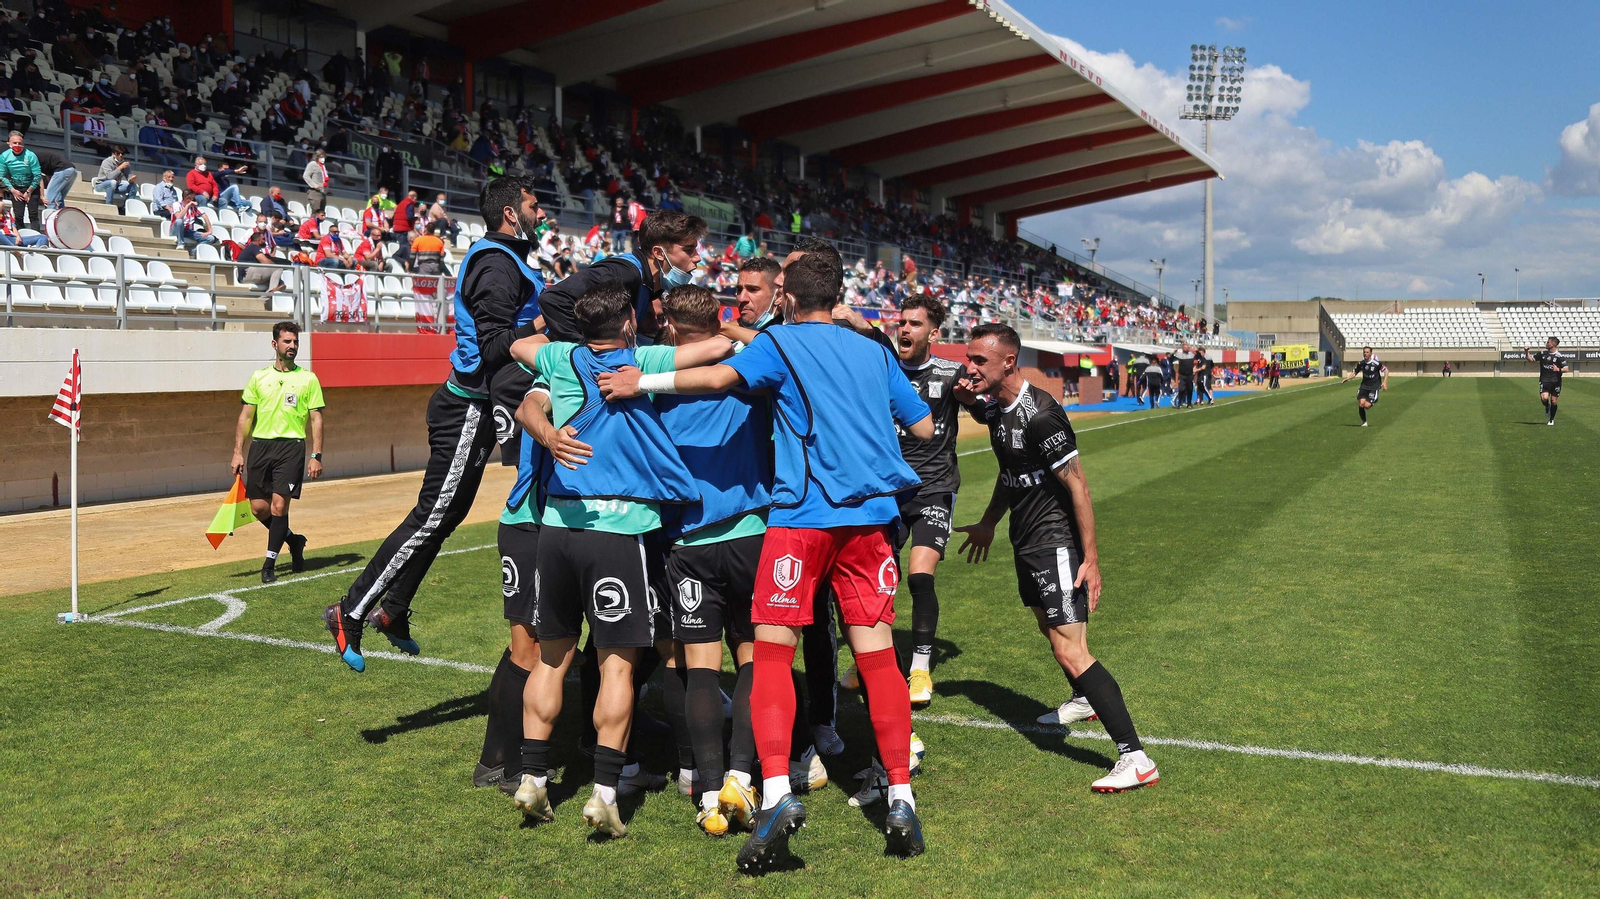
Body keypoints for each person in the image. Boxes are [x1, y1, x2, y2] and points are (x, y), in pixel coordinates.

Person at [598, 250, 936, 869]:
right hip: (871, 524)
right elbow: (923, 429)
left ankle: (775, 791)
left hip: (802, 519)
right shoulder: (876, 352)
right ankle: (901, 798)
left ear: (786, 299)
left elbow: (717, 379)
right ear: (837, 298)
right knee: (879, 660)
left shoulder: (779, 347)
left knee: (772, 653)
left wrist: (639, 381)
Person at [504, 283, 732, 838]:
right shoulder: (642, 359)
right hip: (620, 530)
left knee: (552, 658)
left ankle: (533, 776)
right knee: (617, 665)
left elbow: (516, 349)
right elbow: (718, 349)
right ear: (630, 321)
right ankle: (606, 789)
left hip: (557, 528)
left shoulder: (559, 356)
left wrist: (547, 421)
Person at [324, 176, 546, 672]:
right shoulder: (495, 264)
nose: (539, 213)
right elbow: (493, 347)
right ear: (511, 213)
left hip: (476, 409)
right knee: (432, 516)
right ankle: (350, 610)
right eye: (533, 205)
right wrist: (543, 321)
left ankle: (394, 612)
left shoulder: (506, 260)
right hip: (466, 408)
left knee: (444, 519)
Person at [952, 323, 1160, 793]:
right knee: (1051, 633)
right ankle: (1082, 698)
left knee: (1071, 648)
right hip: (1024, 541)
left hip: (1055, 542)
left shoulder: (1042, 414)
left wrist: (1091, 558)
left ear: (1009, 361)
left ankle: (1135, 756)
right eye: (969, 359)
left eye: (979, 360)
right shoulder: (997, 413)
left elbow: (1077, 484)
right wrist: (988, 523)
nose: (971, 367)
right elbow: (1012, 476)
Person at [638, 284, 775, 836]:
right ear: (717, 320)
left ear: (669, 327)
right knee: (752, 661)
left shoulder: (650, 387)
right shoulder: (748, 373)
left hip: (689, 544)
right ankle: (742, 775)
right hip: (752, 534)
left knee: (698, 667)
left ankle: (704, 786)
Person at [884, 294, 975, 707]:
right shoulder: (881, 368)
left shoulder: (950, 373)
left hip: (935, 487)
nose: (905, 329)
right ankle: (881, 659)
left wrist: (975, 398)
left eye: (915, 324)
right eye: (902, 322)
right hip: (886, 489)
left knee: (920, 576)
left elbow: (983, 404)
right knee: (875, 582)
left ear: (933, 333)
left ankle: (920, 667)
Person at [230, 322, 323, 583]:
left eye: (295, 342)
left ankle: (269, 564)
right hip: (260, 447)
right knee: (259, 508)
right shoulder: (259, 377)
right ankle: (294, 541)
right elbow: (245, 418)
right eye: (287, 342)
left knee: (280, 506)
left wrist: (316, 455)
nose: (292, 346)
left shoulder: (308, 379)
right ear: (275, 345)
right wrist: (238, 452)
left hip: (291, 448)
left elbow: (316, 419)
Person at [531, 209, 705, 343]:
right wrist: (582, 354)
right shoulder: (624, 273)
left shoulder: (651, 283)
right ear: (659, 253)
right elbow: (554, 298)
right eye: (689, 249)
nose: (697, 257)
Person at [0, 131, 41, 228]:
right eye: (14, 143)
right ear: (9, 144)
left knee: (33, 215)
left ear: (23, 144)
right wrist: (12, 190)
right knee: (18, 216)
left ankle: (36, 237)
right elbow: (2, 176)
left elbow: (38, 175)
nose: (17, 145)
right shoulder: (4, 156)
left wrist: (29, 191)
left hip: (32, 188)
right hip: (15, 188)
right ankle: (21, 237)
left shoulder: (30, 155)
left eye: (20, 143)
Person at [1524, 337, 1568, 426]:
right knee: (1544, 398)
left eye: (1548, 342)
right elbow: (1531, 359)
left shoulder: (1559, 356)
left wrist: (1558, 369)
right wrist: (1526, 351)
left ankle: (1551, 419)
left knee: (1554, 401)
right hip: (1544, 380)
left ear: (1553, 344)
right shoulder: (1543, 353)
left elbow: (1566, 369)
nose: (1546, 343)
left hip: (1556, 381)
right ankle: (1547, 406)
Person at [1340, 346, 1388, 427]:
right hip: (1364, 386)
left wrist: (1385, 382)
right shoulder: (1361, 363)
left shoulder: (1376, 363)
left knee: (1367, 406)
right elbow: (1355, 372)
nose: (1365, 354)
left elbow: (1386, 370)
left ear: (1370, 353)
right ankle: (1364, 422)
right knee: (1361, 404)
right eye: (1364, 352)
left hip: (1374, 387)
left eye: (1367, 352)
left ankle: (1373, 399)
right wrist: (1347, 379)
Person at [91, 145, 138, 215]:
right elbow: (110, 177)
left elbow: (128, 176)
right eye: (118, 153)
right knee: (112, 182)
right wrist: (120, 168)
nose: (120, 155)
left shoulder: (124, 164)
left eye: (122, 154)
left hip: (116, 185)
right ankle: (109, 206)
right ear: (113, 154)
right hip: (101, 184)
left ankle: (125, 208)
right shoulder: (107, 162)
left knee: (133, 186)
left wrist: (131, 179)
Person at [303, 148, 329, 213]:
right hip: (315, 192)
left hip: (323, 192)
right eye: (321, 157)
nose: (323, 158)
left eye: (324, 157)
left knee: (321, 214)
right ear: (316, 157)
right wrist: (314, 185)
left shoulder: (323, 166)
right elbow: (306, 176)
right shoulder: (312, 164)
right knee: (316, 213)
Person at [1172, 341, 1197, 408]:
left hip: (1190, 375)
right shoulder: (1179, 355)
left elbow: (1199, 357)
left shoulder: (1192, 354)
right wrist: (1174, 352)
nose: (1186, 348)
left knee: (1190, 389)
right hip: (1182, 375)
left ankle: (1189, 403)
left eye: (1187, 347)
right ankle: (1180, 403)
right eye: (1184, 347)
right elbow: (1172, 359)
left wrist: (1196, 351)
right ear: (1183, 348)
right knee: (1181, 389)